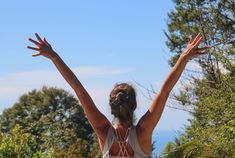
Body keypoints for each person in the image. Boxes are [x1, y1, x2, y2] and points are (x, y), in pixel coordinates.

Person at [27, 33, 210, 158]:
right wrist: (184, 57)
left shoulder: (103, 131)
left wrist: (54, 57)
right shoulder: (143, 132)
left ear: (112, 107)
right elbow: (165, 91)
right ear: (135, 106)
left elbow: (78, 88)